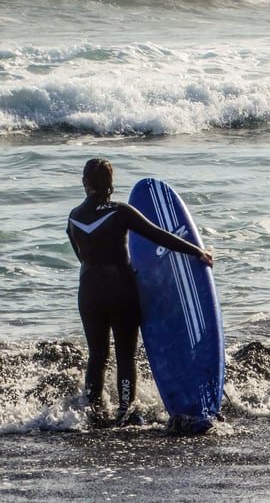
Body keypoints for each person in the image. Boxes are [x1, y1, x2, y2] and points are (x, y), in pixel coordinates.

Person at [66, 158, 214, 426]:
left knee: (97, 354)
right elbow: (159, 235)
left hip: (89, 292)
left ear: (85, 182)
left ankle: (94, 413)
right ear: (110, 184)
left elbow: (81, 256)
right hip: (121, 290)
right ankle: (125, 411)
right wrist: (197, 251)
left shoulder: (74, 217)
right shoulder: (120, 212)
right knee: (125, 354)